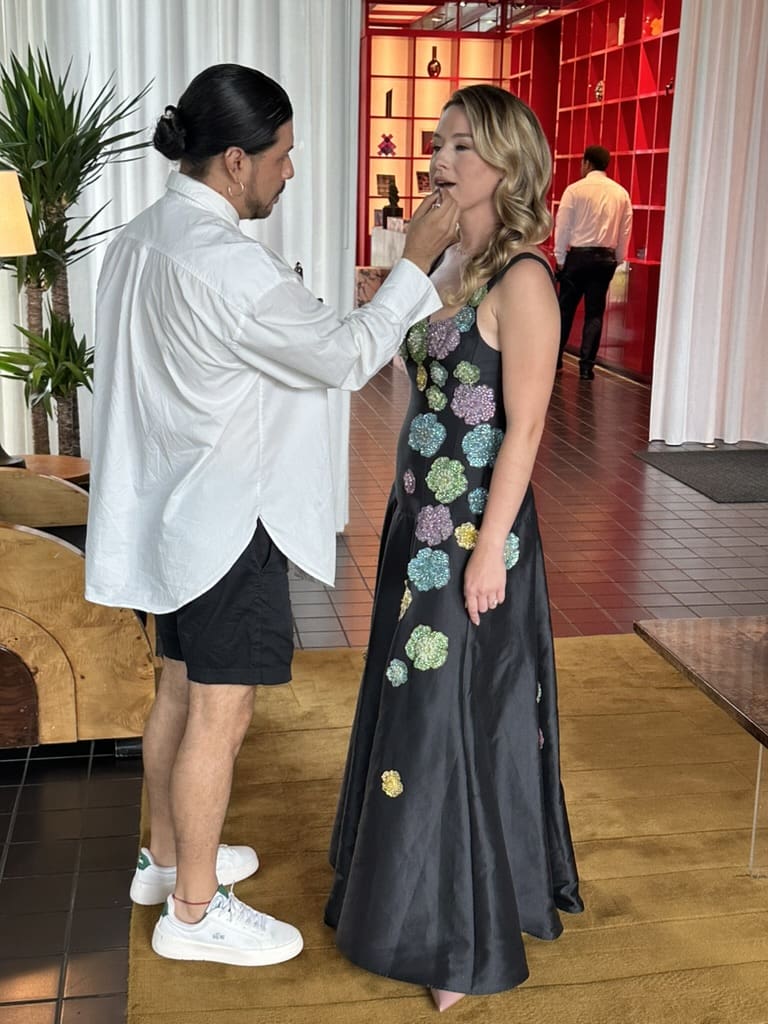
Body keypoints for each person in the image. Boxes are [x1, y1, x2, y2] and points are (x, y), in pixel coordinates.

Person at [84, 63, 458, 968]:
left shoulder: (143, 236)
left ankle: (168, 857)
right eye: (284, 158)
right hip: (225, 519)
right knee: (223, 710)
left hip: (171, 511)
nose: (292, 174)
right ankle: (195, 910)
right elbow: (343, 358)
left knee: (178, 687)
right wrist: (414, 261)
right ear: (237, 162)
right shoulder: (229, 265)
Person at [325, 84, 583, 1013]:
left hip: (475, 536)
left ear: (507, 166)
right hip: (419, 530)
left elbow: (523, 432)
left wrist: (487, 551)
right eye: (439, 142)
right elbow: (429, 385)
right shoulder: (461, 271)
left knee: (446, 718)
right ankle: (409, 893)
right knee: (424, 708)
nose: (442, 160)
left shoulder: (524, 279)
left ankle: (455, 940)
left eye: (464, 147)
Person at [554, 145, 632, 379]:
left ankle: (555, 360)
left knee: (564, 310)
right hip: (605, 259)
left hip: (578, 256)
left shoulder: (574, 190)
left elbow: (563, 226)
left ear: (587, 163)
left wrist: (560, 257)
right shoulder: (621, 193)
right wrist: (619, 258)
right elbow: (625, 229)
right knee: (594, 313)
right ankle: (587, 367)